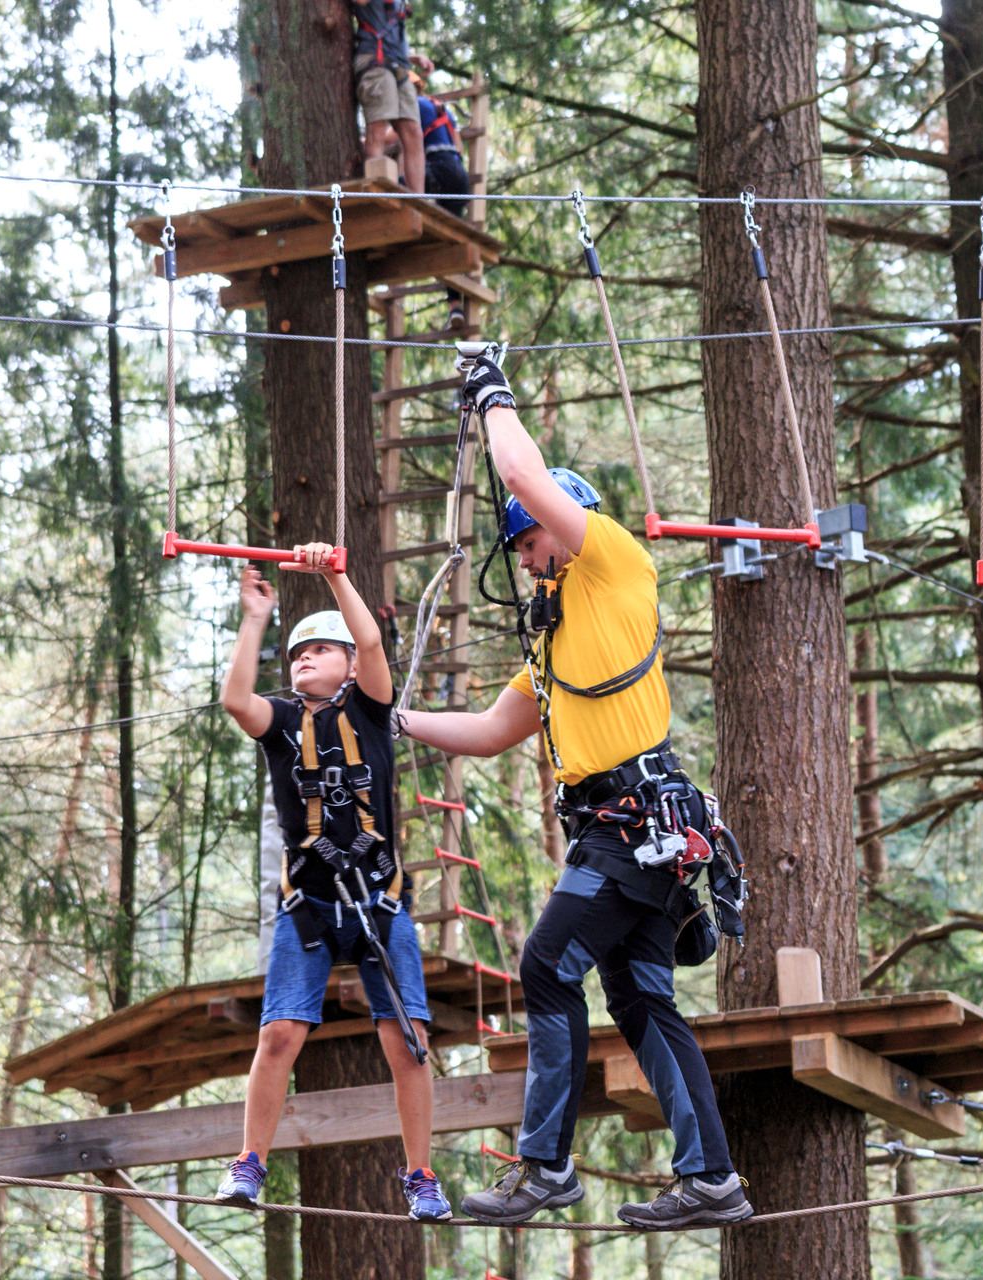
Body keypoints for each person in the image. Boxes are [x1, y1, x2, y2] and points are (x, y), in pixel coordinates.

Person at [394, 359, 752, 1230]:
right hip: (639, 837)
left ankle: (544, 1167)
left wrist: (491, 398)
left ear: (567, 526)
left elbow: (521, 473)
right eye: (517, 549)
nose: (523, 562)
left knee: (546, 968)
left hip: (633, 831)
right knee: (639, 999)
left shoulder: (613, 563)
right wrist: (398, 721)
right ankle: (712, 1179)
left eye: (527, 543)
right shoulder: (554, 654)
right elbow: (486, 728)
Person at [215, 546, 451, 1222]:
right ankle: (249, 1161)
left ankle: (420, 1174)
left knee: (407, 1041)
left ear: (349, 664)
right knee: (280, 1036)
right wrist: (256, 619)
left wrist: (334, 576)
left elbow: (372, 639)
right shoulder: (282, 725)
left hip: (379, 902)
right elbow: (236, 699)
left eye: (322, 650)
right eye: (298, 655)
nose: (306, 660)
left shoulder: (374, 712)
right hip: (311, 908)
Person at [351, 0, 431, 193]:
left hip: (400, 66)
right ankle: (375, 191)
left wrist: (414, 58)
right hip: (373, 60)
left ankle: (417, 201)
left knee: (414, 133)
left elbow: (391, 32)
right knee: (378, 128)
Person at [419, 92, 472, 332]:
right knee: (450, 241)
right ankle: (455, 307)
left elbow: (392, 135)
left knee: (396, 186)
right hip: (460, 177)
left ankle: (454, 306)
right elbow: (459, 146)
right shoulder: (444, 112)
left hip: (439, 169)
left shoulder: (414, 104)